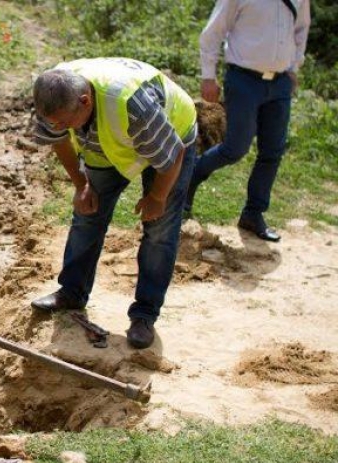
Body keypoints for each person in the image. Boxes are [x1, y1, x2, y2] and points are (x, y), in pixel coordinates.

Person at [30, 58, 197, 349]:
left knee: (159, 229)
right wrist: (82, 185)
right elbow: (59, 141)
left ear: (84, 102)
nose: (58, 127)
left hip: (170, 139)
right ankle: (71, 292)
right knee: (86, 213)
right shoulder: (53, 95)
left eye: (65, 123)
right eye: (52, 122)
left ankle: (145, 315)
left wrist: (156, 198)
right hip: (108, 144)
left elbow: (172, 155)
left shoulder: (132, 105)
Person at [185, 0, 311, 242]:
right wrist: (208, 76)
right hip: (244, 80)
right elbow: (212, 33)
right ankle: (191, 177)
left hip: (280, 83)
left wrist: (294, 67)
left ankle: (253, 214)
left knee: (272, 151)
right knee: (235, 148)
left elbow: (301, 28)